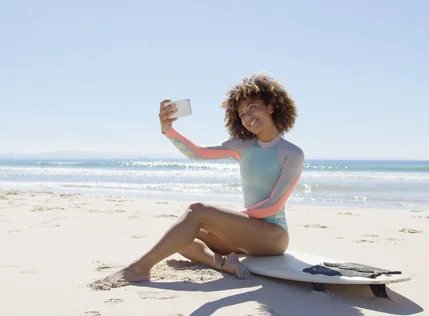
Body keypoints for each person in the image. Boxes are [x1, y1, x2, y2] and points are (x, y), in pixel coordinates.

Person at [93, 72, 305, 288]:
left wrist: (224, 222)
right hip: (246, 233)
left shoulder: (292, 153)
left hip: (273, 237)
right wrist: (168, 130)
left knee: (198, 211)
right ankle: (224, 264)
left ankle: (138, 269)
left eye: (252, 107)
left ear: (271, 106)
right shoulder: (242, 146)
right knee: (181, 236)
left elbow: (272, 206)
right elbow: (198, 153)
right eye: (241, 113)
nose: (247, 116)